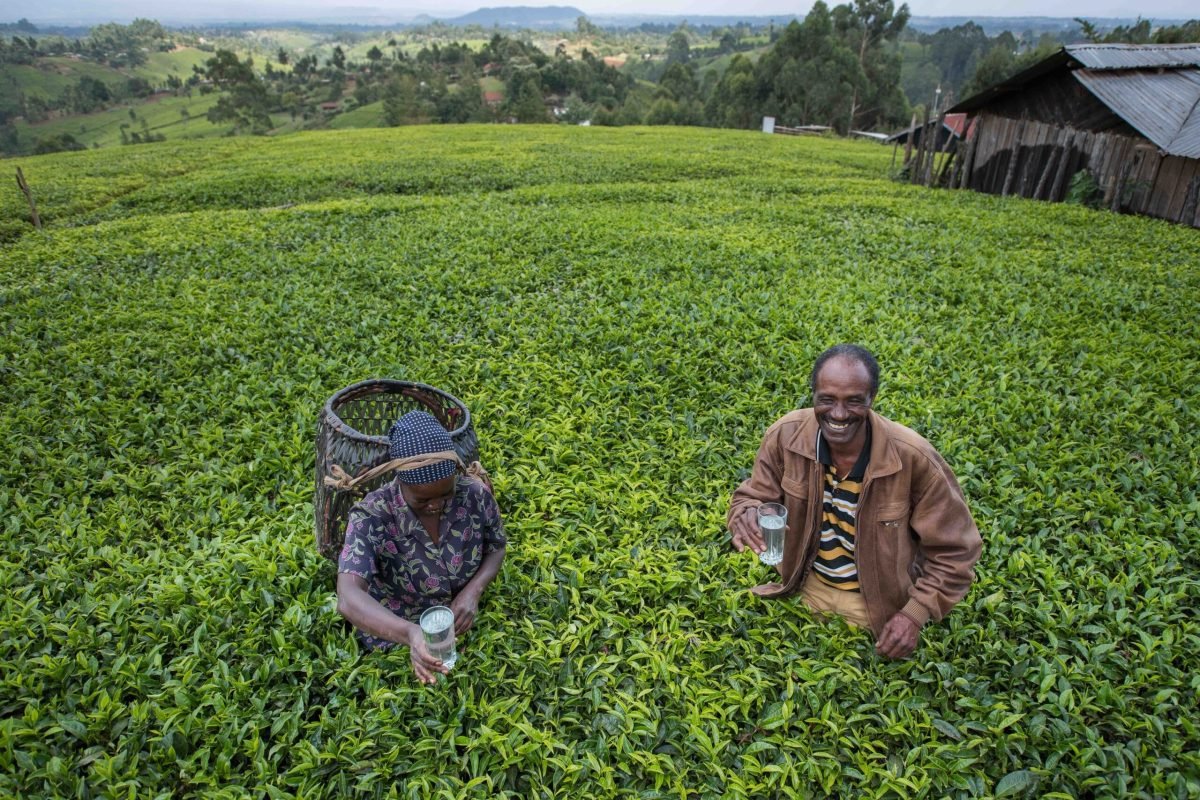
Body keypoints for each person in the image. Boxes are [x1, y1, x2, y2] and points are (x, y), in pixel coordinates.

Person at [727, 344, 981, 659]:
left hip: (877, 610)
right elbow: (753, 496)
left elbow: (957, 550)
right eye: (827, 399)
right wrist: (746, 514)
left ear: (872, 399)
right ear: (814, 395)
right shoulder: (785, 436)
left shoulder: (913, 457)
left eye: (854, 401)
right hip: (799, 588)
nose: (838, 414)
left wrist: (913, 614)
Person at [337, 410, 506, 683]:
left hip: (461, 619)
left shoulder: (475, 494)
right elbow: (348, 596)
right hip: (395, 631)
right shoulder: (372, 514)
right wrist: (410, 634)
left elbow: (497, 546)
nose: (436, 505)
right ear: (400, 482)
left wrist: (473, 592)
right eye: (422, 501)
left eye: (445, 494)